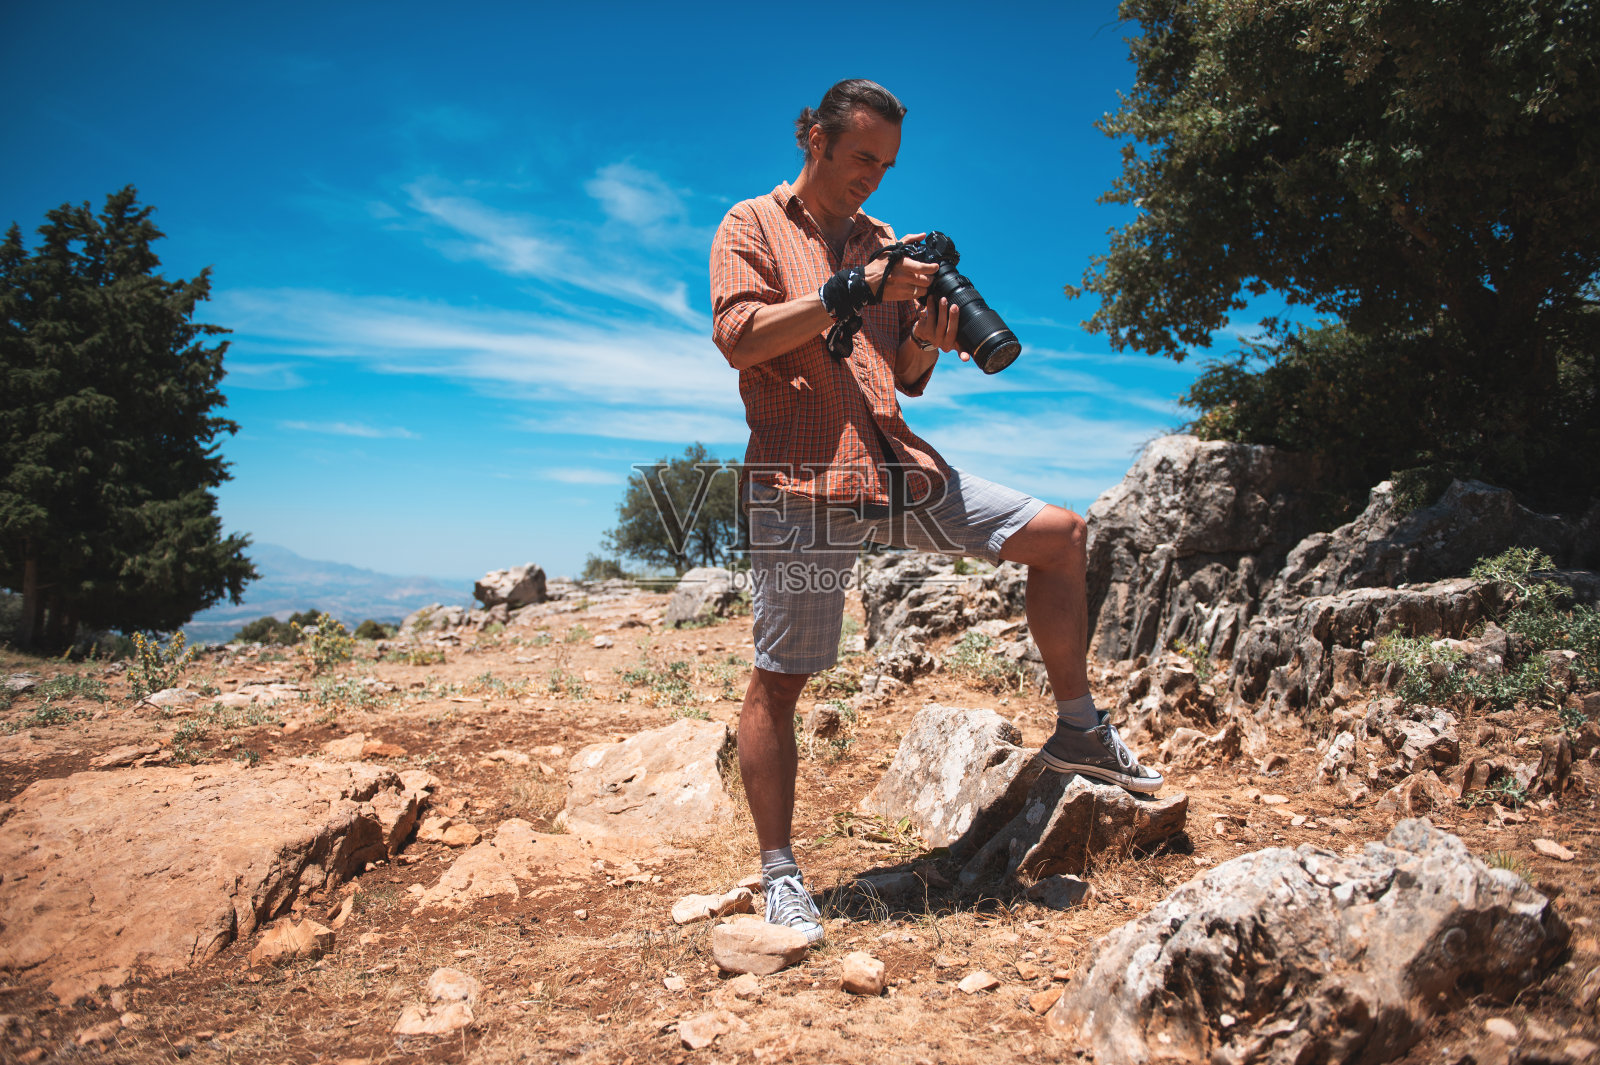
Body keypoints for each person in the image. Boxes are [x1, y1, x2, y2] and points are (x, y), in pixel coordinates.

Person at [708, 78, 1162, 945]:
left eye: (887, 163)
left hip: (897, 464)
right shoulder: (750, 226)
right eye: (861, 158)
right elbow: (743, 336)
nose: (873, 179)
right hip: (802, 479)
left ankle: (1079, 732)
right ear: (814, 137)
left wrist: (929, 334)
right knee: (781, 679)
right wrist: (850, 288)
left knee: (1062, 536)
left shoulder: (883, 241)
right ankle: (780, 874)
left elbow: (906, 375)